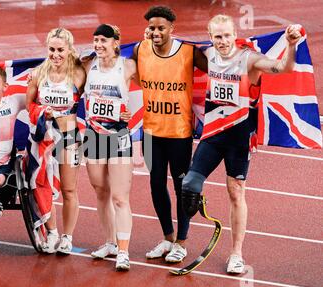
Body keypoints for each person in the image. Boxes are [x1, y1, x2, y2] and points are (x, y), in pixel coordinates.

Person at [181, 14, 302, 274]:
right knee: (189, 184)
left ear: (234, 33)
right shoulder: (207, 54)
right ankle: (180, 242)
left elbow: (284, 68)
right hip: (213, 134)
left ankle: (236, 253)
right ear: (210, 36)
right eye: (217, 36)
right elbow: (175, 50)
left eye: (227, 35)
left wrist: (291, 45)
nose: (223, 41)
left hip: (238, 136)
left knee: (236, 191)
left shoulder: (248, 59)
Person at [132, 5, 208, 263]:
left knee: (181, 187)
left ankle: (182, 243)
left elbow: (219, 67)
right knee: (156, 185)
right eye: (152, 27)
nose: (156, 32)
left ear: (172, 29)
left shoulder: (188, 52)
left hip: (179, 133)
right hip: (151, 131)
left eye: (161, 28)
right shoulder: (139, 50)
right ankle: (167, 237)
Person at [26, 27, 86, 254]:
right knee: (40, 184)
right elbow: (29, 104)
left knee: (70, 189)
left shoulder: (79, 73)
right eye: (51, 49)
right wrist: (42, 111)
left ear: (70, 49)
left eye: (61, 49)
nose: (55, 54)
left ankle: (67, 237)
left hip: (69, 136)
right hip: (44, 137)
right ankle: (51, 232)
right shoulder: (38, 73)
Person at [82, 24, 137, 270]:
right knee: (101, 192)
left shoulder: (127, 66)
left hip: (118, 137)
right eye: (95, 40)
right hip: (93, 136)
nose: (98, 45)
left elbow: (154, 83)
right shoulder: (86, 65)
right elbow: (57, 70)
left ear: (116, 42)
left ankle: (123, 251)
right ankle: (110, 242)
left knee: (119, 197)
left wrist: (132, 111)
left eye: (104, 40)